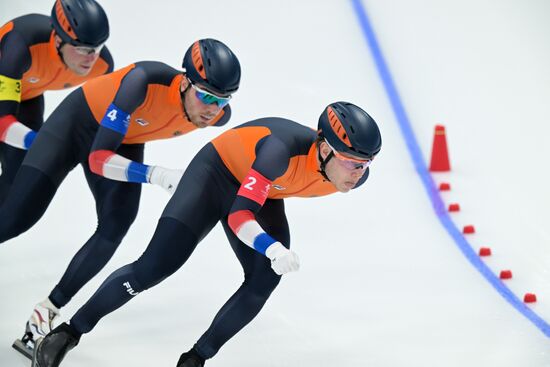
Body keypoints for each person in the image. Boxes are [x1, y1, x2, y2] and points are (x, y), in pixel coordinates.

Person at [32, 101, 382, 367]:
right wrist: (272, 247)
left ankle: (195, 359)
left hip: (264, 191)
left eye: (365, 164)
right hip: (213, 176)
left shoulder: (350, 173)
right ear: (324, 149)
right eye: (352, 162)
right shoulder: (280, 151)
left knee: (263, 280)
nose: (358, 173)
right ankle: (69, 333)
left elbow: (254, 202)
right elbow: (239, 215)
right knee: (153, 268)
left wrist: (270, 253)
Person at [4, 37, 241, 359]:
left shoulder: (216, 115)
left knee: (116, 225)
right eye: (205, 96)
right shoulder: (142, 81)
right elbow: (98, 159)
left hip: (123, 138)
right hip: (75, 125)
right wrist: (154, 174)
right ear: (185, 82)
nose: (213, 109)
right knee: (17, 218)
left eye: (222, 101)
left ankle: (46, 313)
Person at [0, 0, 113, 204]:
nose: (92, 58)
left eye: (98, 47)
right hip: (7, 96)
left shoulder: (103, 66)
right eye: (82, 48)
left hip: (28, 97)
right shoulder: (21, 43)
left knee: (17, 179)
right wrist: (44, 142)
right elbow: (2, 123)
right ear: (58, 39)